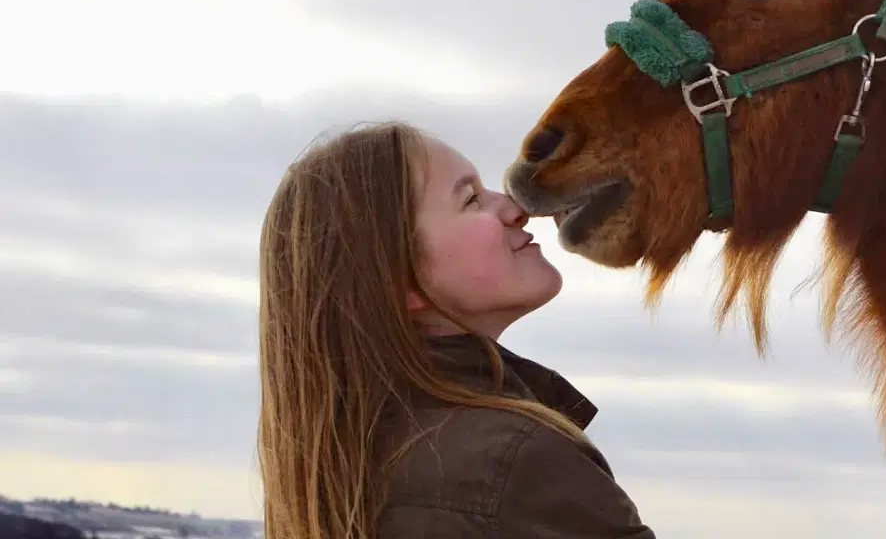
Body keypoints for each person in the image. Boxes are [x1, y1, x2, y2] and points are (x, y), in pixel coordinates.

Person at [257, 121, 655, 539]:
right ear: (400, 277)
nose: (517, 208)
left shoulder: (336, 475)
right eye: (471, 199)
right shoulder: (517, 466)